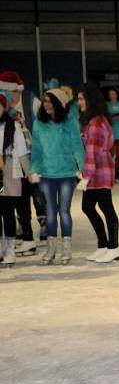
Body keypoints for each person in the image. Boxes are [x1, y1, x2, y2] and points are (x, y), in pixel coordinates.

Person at [29, 88, 85, 266]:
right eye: (44, 100)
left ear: (58, 103)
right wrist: (33, 169)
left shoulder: (69, 122)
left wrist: (83, 168)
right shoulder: (39, 123)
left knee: (64, 211)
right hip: (46, 174)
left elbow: (77, 146)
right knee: (50, 212)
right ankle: (51, 248)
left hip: (67, 173)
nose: (45, 104)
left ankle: (66, 247)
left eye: (49, 100)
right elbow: (37, 150)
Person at [77, 85, 119, 263]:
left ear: (91, 101)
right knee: (88, 206)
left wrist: (85, 176)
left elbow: (92, 151)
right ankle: (103, 245)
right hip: (96, 170)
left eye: (81, 99)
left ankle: (113, 247)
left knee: (106, 208)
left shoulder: (97, 123)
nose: (79, 102)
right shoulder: (97, 120)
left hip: (99, 172)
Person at [0, 71, 42, 256]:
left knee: (25, 199)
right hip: (8, 168)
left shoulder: (29, 102)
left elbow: (26, 143)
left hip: (23, 163)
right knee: (14, 204)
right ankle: (22, 238)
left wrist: (31, 169)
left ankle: (30, 235)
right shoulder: (8, 112)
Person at [0, 90, 29, 268]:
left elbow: (22, 151)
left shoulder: (13, 126)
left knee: (7, 210)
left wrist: (29, 172)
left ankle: (10, 248)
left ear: (4, 107)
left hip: (9, 170)